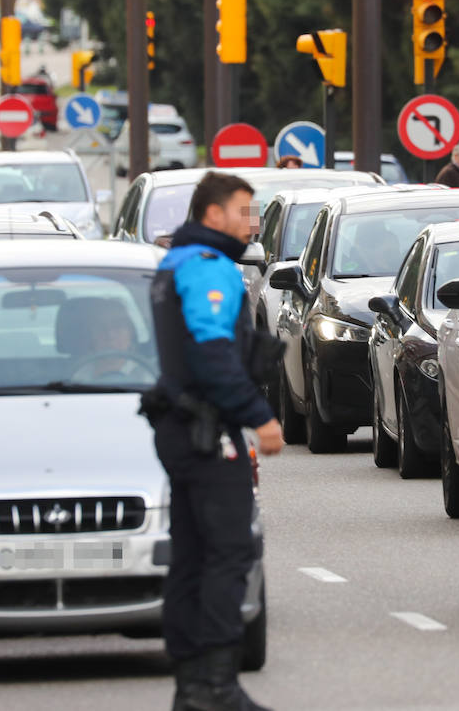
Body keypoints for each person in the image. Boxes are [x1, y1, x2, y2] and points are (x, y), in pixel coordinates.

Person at [146, 171, 284, 711]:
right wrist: (259, 417)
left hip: (179, 429)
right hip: (208, 430)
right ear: (212, 215)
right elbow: (212, 354)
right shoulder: (210, 270)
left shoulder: (172, 263)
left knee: (193, 555)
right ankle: (217, 688)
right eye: (243, 210)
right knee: (230, 552)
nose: (251, 222)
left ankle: (191, 687)